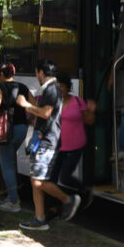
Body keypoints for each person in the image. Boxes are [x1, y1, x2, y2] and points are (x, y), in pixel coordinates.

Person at [17, 59, 81, 231]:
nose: (36, 76)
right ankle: (39, 219)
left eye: (37, 73)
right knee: (35, 180)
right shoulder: (51, 89)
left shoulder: (52, 88)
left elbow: (45, 113)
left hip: (47, 140)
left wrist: (26, 105)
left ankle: (68, 200)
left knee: (38, 181)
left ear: (41, 73)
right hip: (44, 139)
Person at [0, 62, 32, 213]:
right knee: (10, 161)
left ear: (0, 74)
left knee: (6, 164)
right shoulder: (23, 87)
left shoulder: (0, 87)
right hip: (22, 129)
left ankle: (13, 201)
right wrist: (31, 119)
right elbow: (34, 104)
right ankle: (12, 196)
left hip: (5, 129)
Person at [50, 72, 97, 202]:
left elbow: (90, 121)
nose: (59, 89)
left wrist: (91, 111)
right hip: (58, 146)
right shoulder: (53, 103)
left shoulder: (77, 101)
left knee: (64, 177)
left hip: (75, 146)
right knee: (51, 179)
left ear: (68, 87)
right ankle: (57, 206)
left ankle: (84, 190)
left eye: (62, 86)